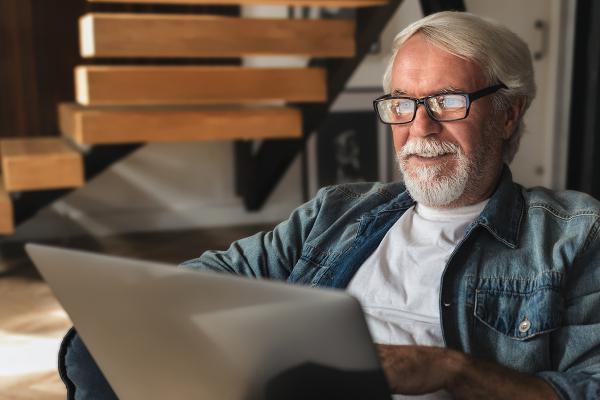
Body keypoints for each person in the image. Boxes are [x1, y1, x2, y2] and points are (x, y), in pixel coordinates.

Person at [60, 11, 600, 399]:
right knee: (94, 348)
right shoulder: (338, 210)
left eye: (447, 101)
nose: (420, 128)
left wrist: (450, 371)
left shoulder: (573, 236)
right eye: (403, 104)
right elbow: (212, 278)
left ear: (508, 113)